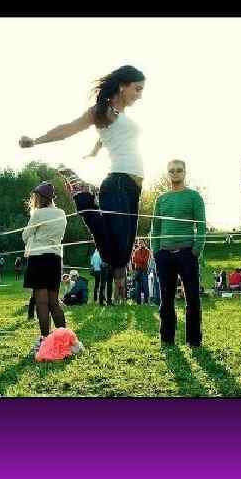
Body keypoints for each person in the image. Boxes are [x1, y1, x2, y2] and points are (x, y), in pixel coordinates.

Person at [19, 65, 146, 302]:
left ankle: (119, 298)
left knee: (123, 253)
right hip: (117, 183)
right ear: (122, 86)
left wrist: (95, 151)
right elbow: (69, 128)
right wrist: (36, 141)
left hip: (133, 188)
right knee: (116, 256)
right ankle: (83, 198)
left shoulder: (120, 116)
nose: (140, 95)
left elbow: (110, 136)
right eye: (137, 89)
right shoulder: (102, 110)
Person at [151, 159, 206, 348]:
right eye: (172, 171)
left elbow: (201, 226)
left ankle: (194, 340)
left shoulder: (194, 197)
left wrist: (196, 250)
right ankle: (167, 339)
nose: (175, 173)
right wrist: (156, 251)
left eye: (179, 170)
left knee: (192, 298)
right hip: (164, 255)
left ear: (185, 172)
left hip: (187, 254)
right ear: (168, 174)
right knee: (166, 299)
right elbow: (156, 228)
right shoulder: (161, 199)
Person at [21, 182, 68, 355]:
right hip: (55, 259)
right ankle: (65, 340)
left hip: (39, 258)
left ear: (40, 198)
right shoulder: (62, 213)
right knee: (54, 302)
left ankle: (45, 340)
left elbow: (25, 235)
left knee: (41, 302)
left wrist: (34, 235)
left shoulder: (38, 214)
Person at [130, 239, 151, 304]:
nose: (140, 244)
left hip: (144, 270)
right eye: (139, 243)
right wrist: (141, 259)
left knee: (145, 286)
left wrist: (138, 259)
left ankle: (146, 301)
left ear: (144, 243)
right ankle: (138, 301)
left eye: (141, 242)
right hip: (137, 270)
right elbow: (133, 260)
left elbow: (145, 261)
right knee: (137, 287)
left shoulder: (147, 251)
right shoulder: (136, 251)